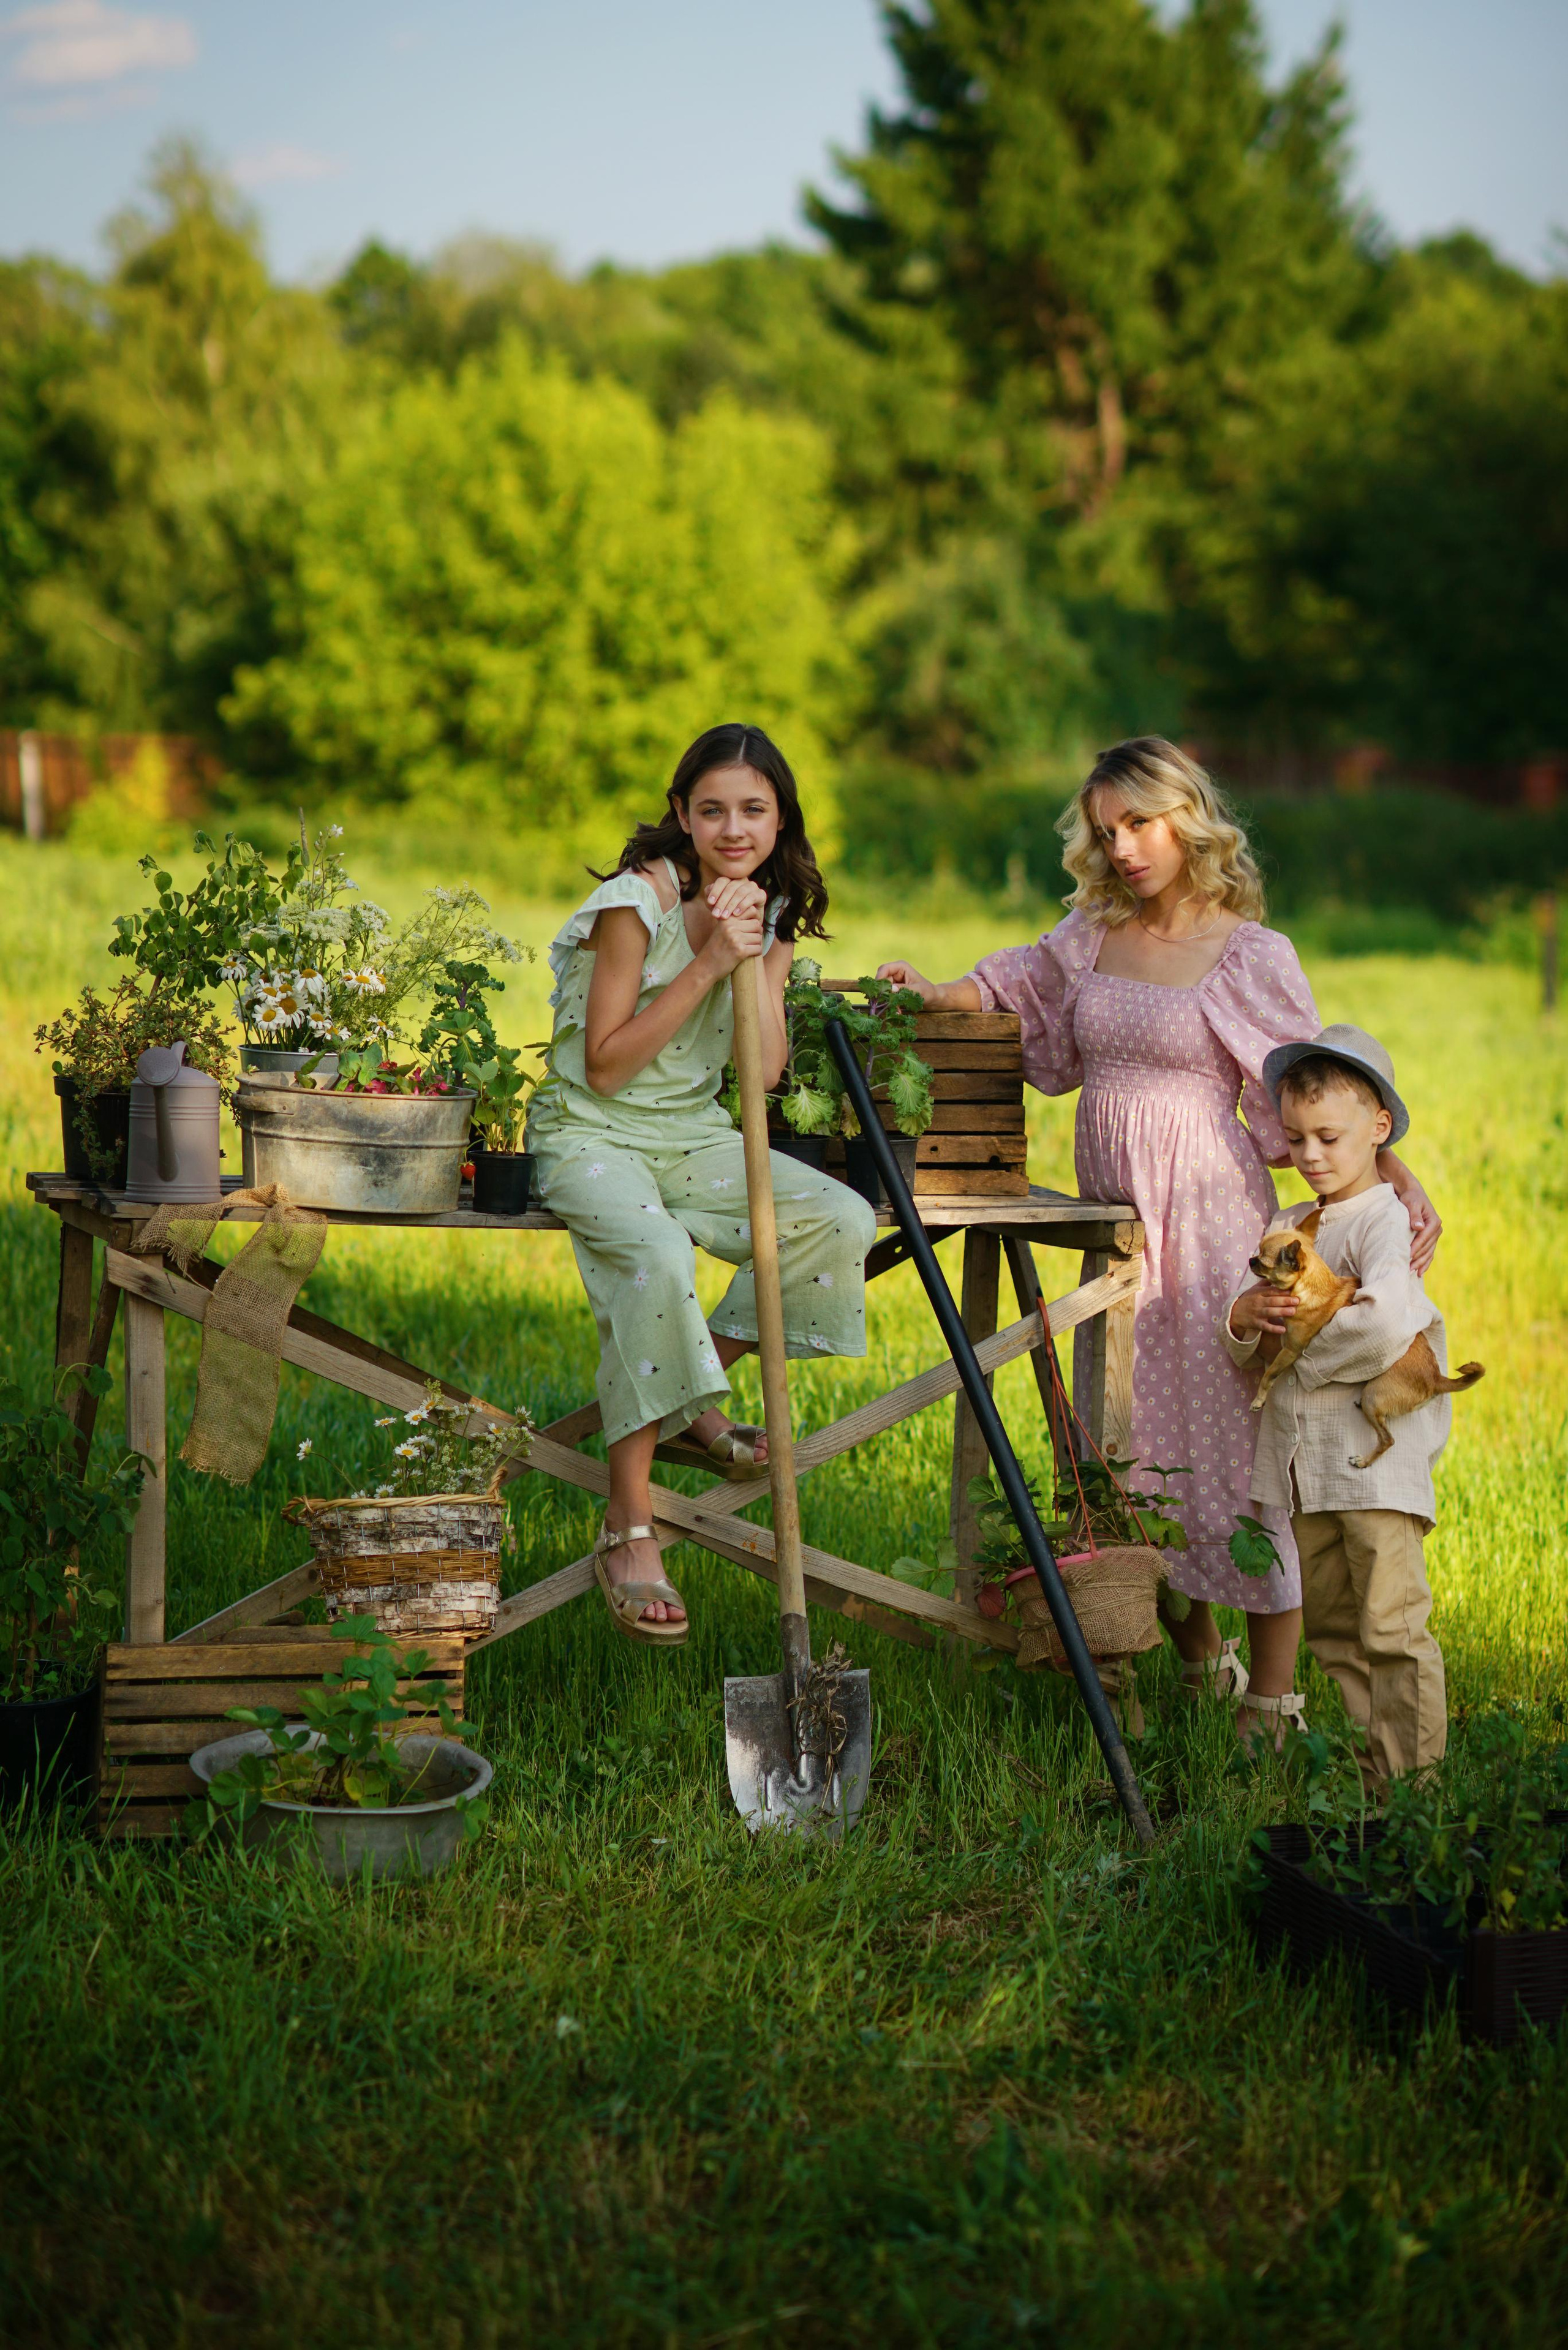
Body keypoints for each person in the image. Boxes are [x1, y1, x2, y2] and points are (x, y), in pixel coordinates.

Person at [876, 737, 1441, 1731]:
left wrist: (1383, 1171)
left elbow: (1309, 1091)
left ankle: (1272, 1704)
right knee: (1126, 1454)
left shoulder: (1248, 952)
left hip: (1210, 1223)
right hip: (1113, 1228)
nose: (1125, 847)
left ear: (1188, 816)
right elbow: (1017, 985)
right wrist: (939, 992)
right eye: (1106, 831)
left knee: (1235, 1456)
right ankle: (1199, 1664)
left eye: (1140, 823)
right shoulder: (1093, 929)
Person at [528, 723, 876, 1648]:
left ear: (779, 819)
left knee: (839, 1219)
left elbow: (760, 1076)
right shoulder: (631, 905)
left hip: (690, 1135)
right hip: (591, 1133)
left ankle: (692, 1393)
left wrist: (758, 952)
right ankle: (629, 1527)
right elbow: (603, 1066)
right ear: (681, 813)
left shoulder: (767, 916)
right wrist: (712, 962)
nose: (733, 827)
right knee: (652, 1252)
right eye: (712, 808)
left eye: (754, 810)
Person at [1223, 1028, 1452, 1776]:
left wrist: (1296, 1353)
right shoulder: (1294, 1223)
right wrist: (1245, 1318)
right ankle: (1373, 1770)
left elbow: (1388, 1321)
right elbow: (1256, 1320)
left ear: (1378, 1128)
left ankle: (1410, 1786)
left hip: (1372, 1467)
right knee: (1330, 1624)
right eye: (1294, 1138)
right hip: (1307, 1469)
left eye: (1328, 1136)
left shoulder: (1385, 1219)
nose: (1311, 1155)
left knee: (1389, 1620)